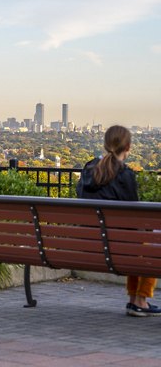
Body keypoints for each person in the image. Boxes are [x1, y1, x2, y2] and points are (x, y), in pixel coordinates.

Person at [76, 125, 160, 317]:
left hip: (86, 244)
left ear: (105, 145)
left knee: (139, 242)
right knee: (153, 245)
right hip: (118, 246)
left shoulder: (88, 170)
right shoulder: (124, 175)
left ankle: (134, 300)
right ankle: (140, 300)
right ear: (128, 147)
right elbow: (134, 215)